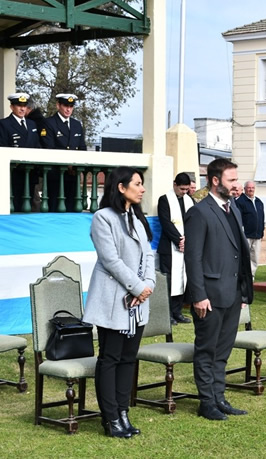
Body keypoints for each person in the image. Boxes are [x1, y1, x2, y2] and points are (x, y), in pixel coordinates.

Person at [82, 166, 155, 438]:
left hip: (137, 304)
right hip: (114, 300)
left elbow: (148, 255)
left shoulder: (136, 217)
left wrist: (147, 286)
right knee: (110, 358)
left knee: (128, 359)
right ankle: (110, 418)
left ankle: (123, 413)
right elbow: (110, 260)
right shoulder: (103, 218)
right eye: (137, 183)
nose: (142, 188)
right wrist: (137, 287)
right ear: (121, 187)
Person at [184, 158, 253, 421]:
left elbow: (239, 251)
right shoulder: (199, 212)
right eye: (232, 180)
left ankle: (219, 397)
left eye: (237, 180)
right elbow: (193, 258)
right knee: (206, 349)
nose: (236, 185)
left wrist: (244, 291)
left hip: (233, 292)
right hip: (209, 295)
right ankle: (206, 402)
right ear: (215, 181)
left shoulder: (232, 208)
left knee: (223, 350)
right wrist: (198, 295)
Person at [157, 172, 194, 325]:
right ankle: (167, 313)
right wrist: (180, 240)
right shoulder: (164, 200)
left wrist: (189, 239)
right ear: (175, 185)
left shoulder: (190, 200)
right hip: (169, 247)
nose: (184, 192)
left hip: (185, 246)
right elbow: (166, 223)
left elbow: (193, 220)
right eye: (182, 189)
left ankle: (177, 312)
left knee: (182, 279)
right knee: (170, 281)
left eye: (187, 190)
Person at [1, 93, 41, 211]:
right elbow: (3, 146)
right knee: (16, 205)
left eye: (24, 105)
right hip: (15, 173)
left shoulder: (31, 124)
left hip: (31, 172)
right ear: (12, 107)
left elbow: (36, 145)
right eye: (19, 105)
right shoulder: (4, 124)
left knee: (29, 205)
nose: (22, 108)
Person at [235, 180, 265, 278]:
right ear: (245, 189)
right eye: (249, 188)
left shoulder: (259, 202)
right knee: (244, 257)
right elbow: (238, 218)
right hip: (246, 235)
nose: (251, 189)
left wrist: (262, 232)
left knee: (255, 258)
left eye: (252, 188)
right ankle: (243, 277)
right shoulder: (240, 202)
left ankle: (251, 277)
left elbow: (262, 218)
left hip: (257, 236)